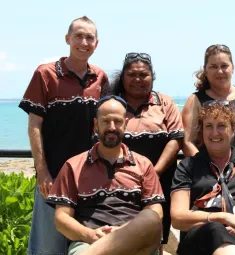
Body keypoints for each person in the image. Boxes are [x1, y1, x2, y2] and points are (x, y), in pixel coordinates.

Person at [18, 16, 108, 255]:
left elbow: (105, 125)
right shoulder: (45, 74)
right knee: (48, 246)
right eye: (78, 36)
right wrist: (42, 171)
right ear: (68, 39)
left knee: (84, 243)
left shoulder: (100, 77)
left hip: (89, 178)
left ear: (96, 44)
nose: (84, 42)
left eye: (89, 37)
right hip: (54, 175)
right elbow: (34, 125)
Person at [46, 96, 165, 255]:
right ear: (96, 125)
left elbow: (156, 212)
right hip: (88, 242)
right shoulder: (73, 166)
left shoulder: (143, 165)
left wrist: (121, 233)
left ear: (126, 124)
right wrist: (92, 235)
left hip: (135, 241)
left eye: (117, 121)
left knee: (150, 217)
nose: (112, 127)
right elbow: (61, 219)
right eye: (105, 121)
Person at [170, 101, 235, 255]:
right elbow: (178, 218)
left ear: (233, 131)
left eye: (221, 126)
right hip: (201, 240)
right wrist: (223, 218)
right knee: (215, 229)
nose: (214, 133)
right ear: (202, 131)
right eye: (208, 126)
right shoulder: (188, 167)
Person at [108, 52, 183, 249]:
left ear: (153, 77)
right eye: (132, 74)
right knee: (121, 233)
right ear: (123, 77)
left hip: (161, 179)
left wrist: (154, 173)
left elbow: (176, 138)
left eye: (143, 75)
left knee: (156, 232)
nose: (138, 79)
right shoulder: (112, 105)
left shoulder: (165, 103)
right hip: (119, 180)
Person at [182, 44, 235, 158]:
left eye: (224, 66)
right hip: (206, 171)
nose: (220, 71)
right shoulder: (195, 100)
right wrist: (208, 168)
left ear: (232, 68)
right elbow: (187, 142)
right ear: (205, 70)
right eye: (213, 66)